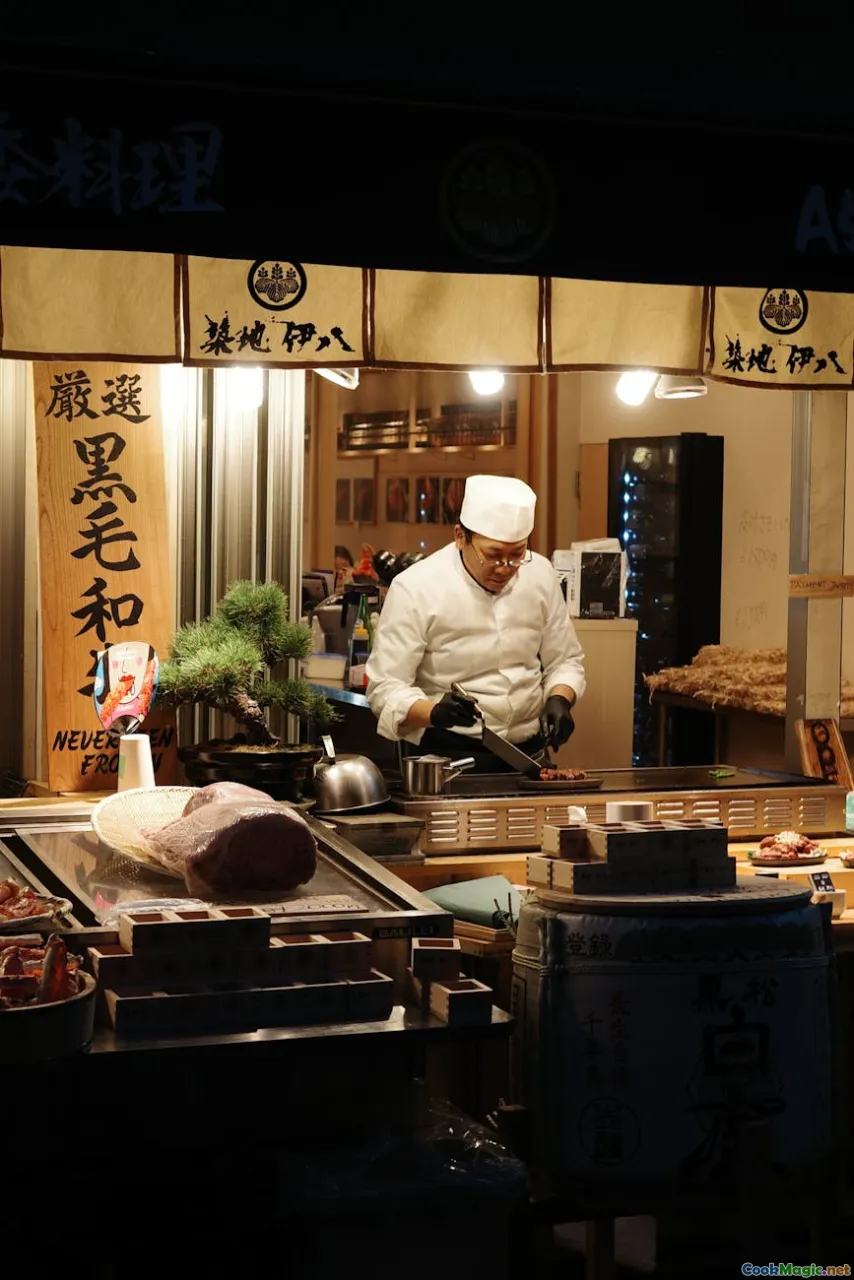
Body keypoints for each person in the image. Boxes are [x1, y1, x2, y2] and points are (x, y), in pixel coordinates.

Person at [366, 475, 585, 772]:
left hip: (530, 757)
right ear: (460, 536)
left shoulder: (541, 575)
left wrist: (560, 698)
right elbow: (385, 687)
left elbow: (565, 659)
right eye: (493, 555)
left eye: (517, 555)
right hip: (447, 761)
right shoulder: (416, 587)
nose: (505, 568)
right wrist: (434, 712)